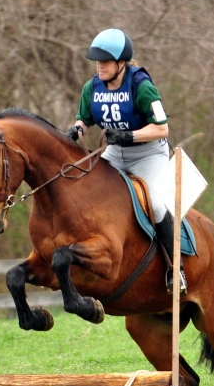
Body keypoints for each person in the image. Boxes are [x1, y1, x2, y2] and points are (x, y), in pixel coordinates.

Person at [65, 28, 187, 295]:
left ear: (121, 63)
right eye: (97, 62)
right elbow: (84, 119)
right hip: (114, 154)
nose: (100, 66)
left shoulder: (141, 87)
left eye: (105, 62)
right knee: (86, 192)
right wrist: (76, 129)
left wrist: (129, 135)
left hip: (148, 154)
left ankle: (174, 268)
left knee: (155, 203)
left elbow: (161, 129)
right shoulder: (92, 87)